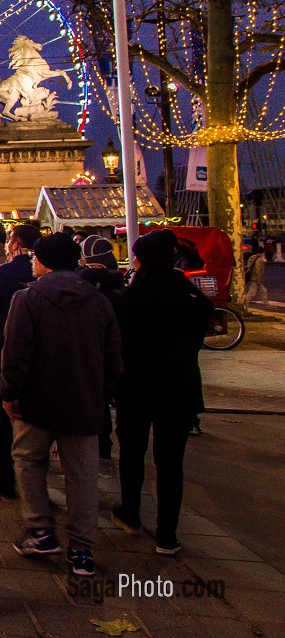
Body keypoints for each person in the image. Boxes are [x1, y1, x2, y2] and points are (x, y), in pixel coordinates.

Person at [0, 233, 122, 577]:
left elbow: (16, 352)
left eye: (36, 257)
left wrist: (9, 392)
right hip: (84, 401)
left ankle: (39, 529)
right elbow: (114, 356)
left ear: (45, 261)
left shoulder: (27, 299)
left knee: (28, 461)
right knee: (82, 476)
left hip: (37, 400)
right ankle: (81, 548)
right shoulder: (99, 302)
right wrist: (103, 394)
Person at [113, 229, 214, 555]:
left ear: (142, 258)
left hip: (137, 388)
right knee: (171, 463)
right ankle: (167, 535)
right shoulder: (189, 295)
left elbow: (119, 344)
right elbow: (202, 329)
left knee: (132, 452)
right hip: (179, 387)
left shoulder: (131, 296)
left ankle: (130, 513)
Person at [0, 222, 43, 497]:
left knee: (3, 415)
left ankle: (6, 474)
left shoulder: (0, 275)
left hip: (5, 349)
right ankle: (37, 479)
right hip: (43, 354)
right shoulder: (46, 274)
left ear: (14, 243)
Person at [79, 235, 125, 459]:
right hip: (110, 350)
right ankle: (105, 443)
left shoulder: (80, 284)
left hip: (86, 349)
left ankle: (98, 441)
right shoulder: (117, 284)